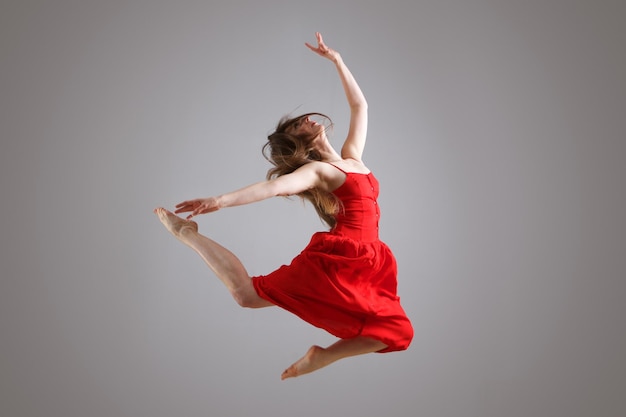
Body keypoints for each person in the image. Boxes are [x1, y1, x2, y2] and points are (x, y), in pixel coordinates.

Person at [154, 32, 413, 380]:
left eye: (303, 118)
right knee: (247, 295)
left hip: (370, 260)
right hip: (343, 260)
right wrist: (221, 200)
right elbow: (274, 188)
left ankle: (323, 356)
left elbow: (360, 107)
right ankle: (187, 234)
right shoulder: (319, 171)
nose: (307, 120)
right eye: (298, 125)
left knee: (398, 333)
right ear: (300, 142)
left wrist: (337, 60)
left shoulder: (352, 158)